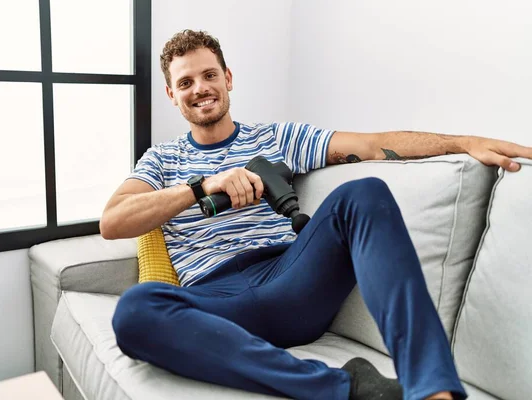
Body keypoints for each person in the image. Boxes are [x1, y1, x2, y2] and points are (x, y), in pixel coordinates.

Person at [101, 30, 532, 400]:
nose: (201, 88)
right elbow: (113, 222)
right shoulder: (162, 160)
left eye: (210, 75)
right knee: (136, 310)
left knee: (363, 192)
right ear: (171, 94)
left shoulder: (277, 137)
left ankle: (432, 388)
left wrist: (464, 142)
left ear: (228, 78)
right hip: (215, 303)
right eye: (186, 81)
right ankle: (346, 388)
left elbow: (374, 143)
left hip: (290, 279)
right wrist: (200, 187)